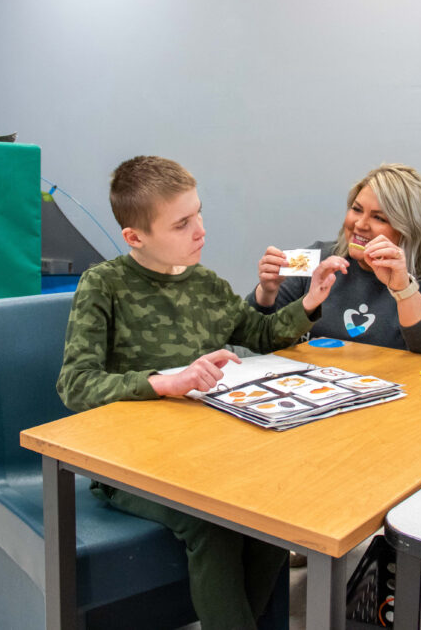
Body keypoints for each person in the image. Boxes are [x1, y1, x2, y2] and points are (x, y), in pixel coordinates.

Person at [56, 155, 348, 629]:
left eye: (199, 214)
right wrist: (164, 382)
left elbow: (261, 334)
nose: (201, 232)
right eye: (182, 224)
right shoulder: (104, 285)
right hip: (128, 462)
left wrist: (312, 300)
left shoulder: (207, 284)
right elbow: (75, 384)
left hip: (207, 454)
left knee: (277, 507)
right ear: (135, 237)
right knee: (212, 524)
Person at [247, 163, 421, 357]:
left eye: (379, 218)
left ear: (410, 230)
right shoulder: (316, 259)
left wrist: (404, 290)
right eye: (356, 209)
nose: (360, 224)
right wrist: (266, 292)